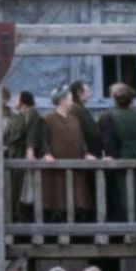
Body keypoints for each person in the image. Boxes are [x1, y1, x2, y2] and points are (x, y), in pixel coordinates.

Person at [99, 83, 136, 222]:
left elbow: (109, 140)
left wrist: (110, 155)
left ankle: (134, 221)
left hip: (125, 154)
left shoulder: (111, 116)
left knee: (128, 191)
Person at [42, 85, 97, 221]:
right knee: (58, 196)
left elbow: (81, 139)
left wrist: (85, 154)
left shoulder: (75, 119)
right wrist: (47, 153)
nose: (72, 103)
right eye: (70, 99)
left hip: (75, 164)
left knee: (78, 196)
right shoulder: (48, 119)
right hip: (57, 166)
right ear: (62, 101)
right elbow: (43, 139)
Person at [15, 90, 47, 220]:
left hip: (25, 156)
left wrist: (30, 150)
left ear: (23, 102)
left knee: (27, 190)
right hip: (18, 154)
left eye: (17, 99)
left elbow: (32, 133)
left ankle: (26, 218)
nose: (15, 102)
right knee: (21, 190)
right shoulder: (21, 116)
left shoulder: (32, 114)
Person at [69, 80, 103, 157]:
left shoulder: (79, 109)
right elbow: (90, 132)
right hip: (88, 153)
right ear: (79, 92)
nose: (89, 94)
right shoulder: (77, 110)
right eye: (87, 91)